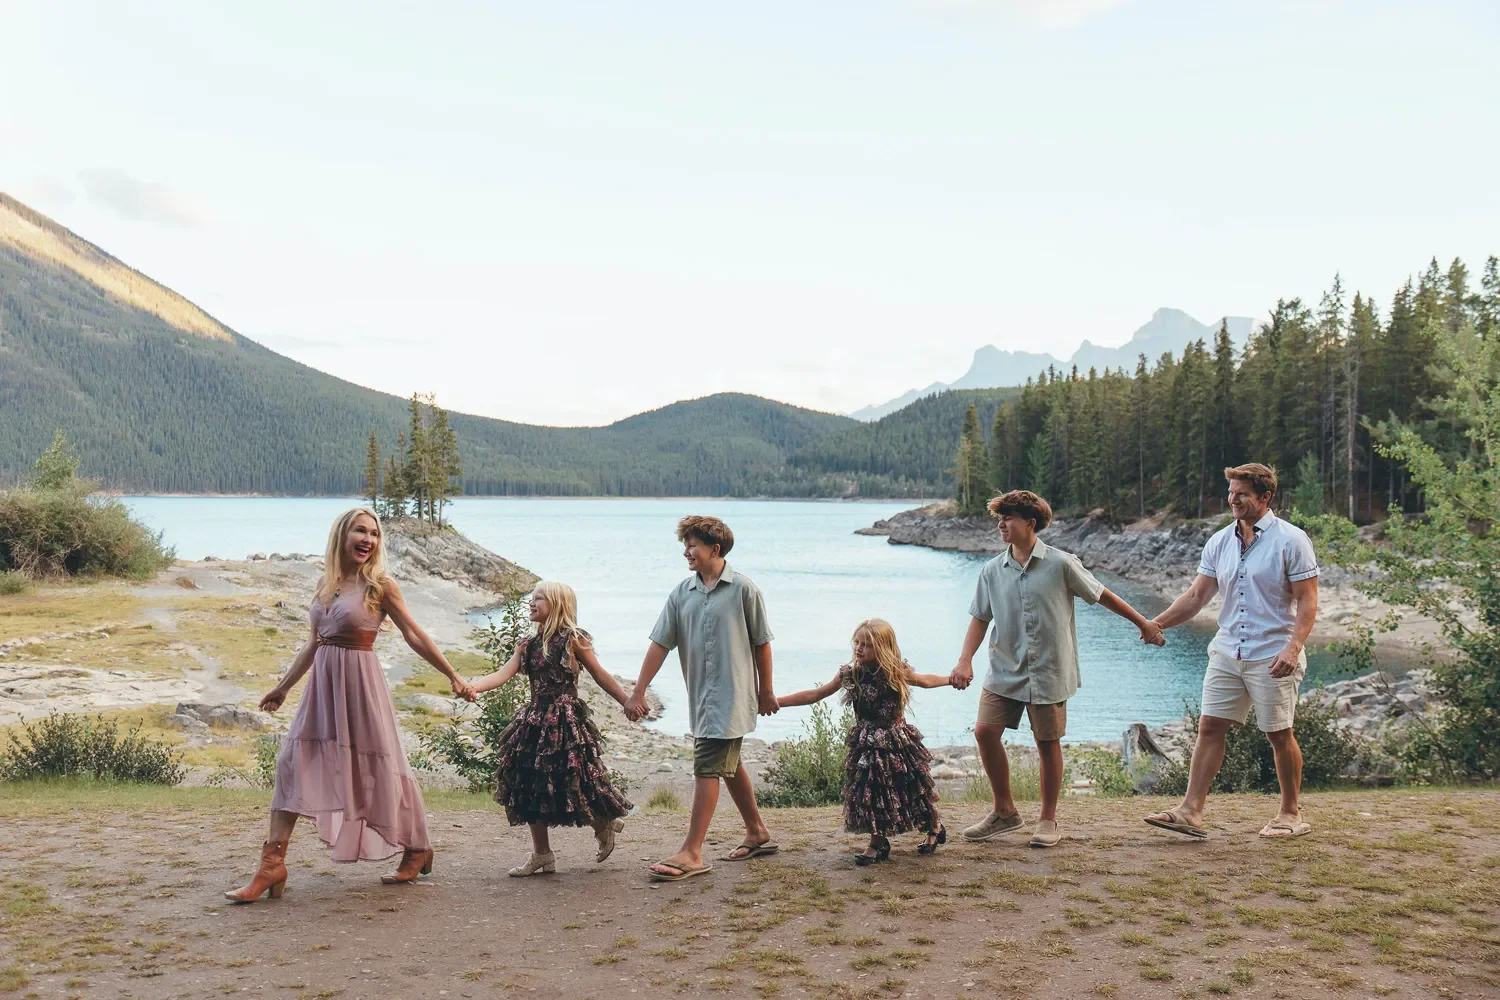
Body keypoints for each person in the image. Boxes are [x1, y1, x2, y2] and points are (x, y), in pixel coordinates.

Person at [225, 508, 476, 903]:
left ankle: (416, 847)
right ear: (342, 535)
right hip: (321, 690)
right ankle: (271, 864)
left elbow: (414, 633)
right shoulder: (327, 585)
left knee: (382, 767)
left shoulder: (381, 585)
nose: (368, 539)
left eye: (374, 534)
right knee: (290, 763)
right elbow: (314, 642)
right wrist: (283, 687)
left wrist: (453, 675)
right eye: (361, 531)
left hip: (361, 687)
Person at [950, 490, 1164, 849]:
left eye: (1008, 518)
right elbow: (979, 619)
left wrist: (1142, 623)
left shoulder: (1062, 564)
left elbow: (1102, 593)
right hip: (1004, 668)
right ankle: (1004, 812)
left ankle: (1047, 820)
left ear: (1029, 523)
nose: (1001, 525)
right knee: (985, 732)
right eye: (999, 519)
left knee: (1047, 743)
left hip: (1050, 670)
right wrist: (964, 660)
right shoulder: (990, 571)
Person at [1143, 464, 1319, 840]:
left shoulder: (1292, 540)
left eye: (1240, 493)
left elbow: (1308, 602)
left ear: (1265, 497)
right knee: (1210, 727)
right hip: (1227, 651)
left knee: (1278, 733)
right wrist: (1156, 623)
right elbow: (1196, 597)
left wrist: (1293, 647)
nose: (1232, 499)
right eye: (1230, 492)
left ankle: (1290, 813)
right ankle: (1190, 811)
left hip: (1273, 654)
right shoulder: (1220, 541)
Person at [624, 515, 777, 881]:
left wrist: (766, 690)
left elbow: (762, 644)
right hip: (702, 698)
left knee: (707, 764)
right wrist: (639, 689)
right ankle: (757, 832)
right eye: (685, 546)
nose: (686, 553)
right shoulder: (682, 594)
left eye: (692, 546)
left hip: (733, 697)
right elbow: (660, 643)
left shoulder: (744, 590)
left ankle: (692, 852)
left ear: (715, 549)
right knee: (728, 763)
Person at [467, 580, 634, 876]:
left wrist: (626, 700)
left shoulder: (573, 640)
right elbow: (502, 674)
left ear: (556, 605)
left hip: (566, 722)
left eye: (539, 599)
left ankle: (602, 822)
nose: (532, 603)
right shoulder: (527, 645)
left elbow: (599, 674)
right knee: (527, 782)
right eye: (531, 598)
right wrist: (474, 687)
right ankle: (542, 854)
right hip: (534, 720)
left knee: (576, 780)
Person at [777, 619, 951, 864]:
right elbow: (816, 694)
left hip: (896, 742)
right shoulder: (850, 673)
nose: (858, 649)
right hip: (866, 743)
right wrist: (778, 701)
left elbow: (925, 680)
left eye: (866, 645)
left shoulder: (895, 671)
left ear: (882, 647)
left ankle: (935, 828)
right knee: (870, 793)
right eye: (856, 642)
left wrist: (952, 678)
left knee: (914, 789)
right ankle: (877, 843)